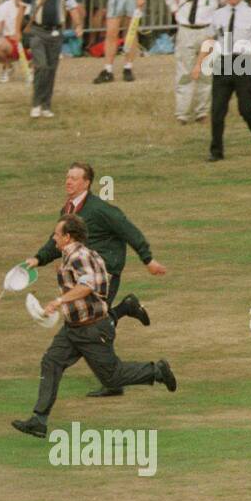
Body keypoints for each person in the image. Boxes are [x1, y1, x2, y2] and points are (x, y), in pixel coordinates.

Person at [12, 213, 177, 439]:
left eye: (57, 234)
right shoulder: (74, 256)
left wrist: (60, 301)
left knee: (112, 378)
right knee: (51, 361)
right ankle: (39, 420)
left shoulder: (79, 256)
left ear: (68, 237)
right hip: (73, 328)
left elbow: (87, 286)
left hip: (92, 329)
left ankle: (156, 371)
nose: (54, 238)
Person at [24, 161, 166, 397]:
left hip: (104, 274)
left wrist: (148, 259)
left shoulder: (99, 209)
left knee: (93, 322)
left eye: (74, 178)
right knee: (96, 321)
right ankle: (125, 312)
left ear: (86, 183)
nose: (68, 181)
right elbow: (56, 241)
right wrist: (38, 259)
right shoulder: (68, 210)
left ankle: (117, 378)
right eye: (67, 177)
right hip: (85, 275)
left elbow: (127, 228)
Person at [191, 0, 251, 162]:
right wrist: (198, 64)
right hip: (223, 63)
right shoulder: (218, 15)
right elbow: (211, 40)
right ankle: (216, 151)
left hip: (244, 63)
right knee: (217, 111)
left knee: (246, 108)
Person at [164, 0, 225, 124]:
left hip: (207, 29)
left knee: (206, 71)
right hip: (186, 29)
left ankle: (202, 112)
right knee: (185, 70)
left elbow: (222, 1)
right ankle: (182, 113)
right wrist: (174, 9)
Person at [24, 0, 81, 117]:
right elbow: (23, 8)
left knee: (51, 69)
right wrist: (17, 30)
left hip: (56, 32)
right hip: (37, 30)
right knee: (41, 66)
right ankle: (36, 103)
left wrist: (78, 25)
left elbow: (72, 7)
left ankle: (46, 105)